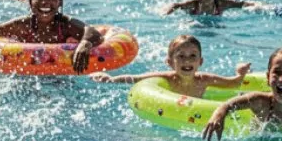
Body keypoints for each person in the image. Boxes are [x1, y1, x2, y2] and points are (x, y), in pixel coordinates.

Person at [90, 34, 249, 97]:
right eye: (181, 56)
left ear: (200, 62)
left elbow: (233, 83)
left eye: (193, 56)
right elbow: (134, 78)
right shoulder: (166, 79)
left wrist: (240, 73)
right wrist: (110, 79)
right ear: (170, 62)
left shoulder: (205, 80)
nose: (187, 61)